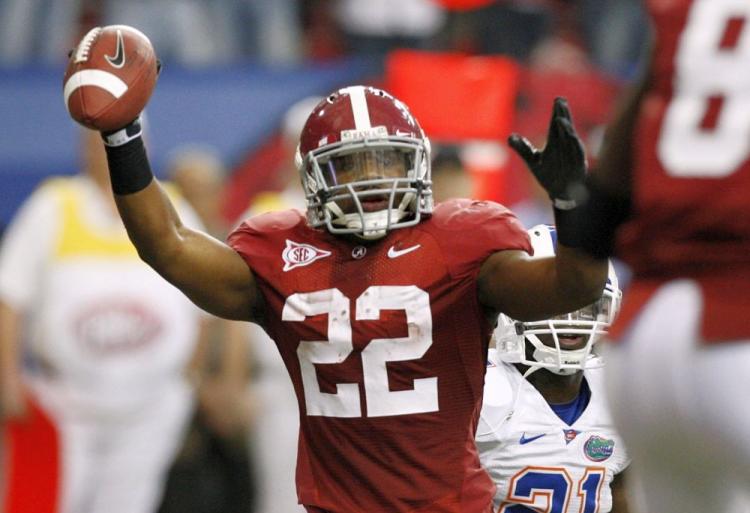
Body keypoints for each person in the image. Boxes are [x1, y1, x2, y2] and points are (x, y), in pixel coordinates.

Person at [81, 80, 607, 513]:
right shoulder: (282, 252)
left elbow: (572, 287)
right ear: (311, 178)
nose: (371, 181)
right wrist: (122, 138)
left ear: (416, 166)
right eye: (351, 166)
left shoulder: (461, 241)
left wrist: (573, 204)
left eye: (385, 161)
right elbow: (167, 246)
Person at [562, 1, 750, 512]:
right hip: (736, 320)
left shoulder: (692, 12)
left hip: (646, 337)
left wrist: (587, 217)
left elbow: (608, 191)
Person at [0, 128, 204, 513]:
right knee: (54, 502)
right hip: (66, 405)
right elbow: (9, 295)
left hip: (151, 404)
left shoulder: (170, 205)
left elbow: (208, 299)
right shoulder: (54, 204)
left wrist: (187, 379)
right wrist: (7, 376)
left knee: (130, 505)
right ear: (83, 145)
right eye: (100, 137)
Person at [476, 224, 630, 513]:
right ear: (515, 307)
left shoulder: (619, 393)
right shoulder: (482, 388)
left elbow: (625, 494)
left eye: (585, 307)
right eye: (555, 304)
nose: (571, 320)